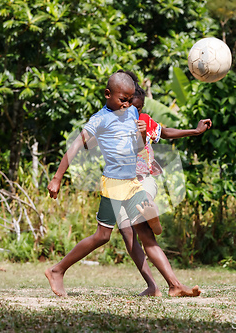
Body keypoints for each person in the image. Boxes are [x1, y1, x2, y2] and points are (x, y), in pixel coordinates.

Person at [44, 70, 200, 297]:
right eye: (122, 100)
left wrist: (142, 135)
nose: (127, 105)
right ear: (108, 94)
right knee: (102, 236)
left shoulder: (132, 112)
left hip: (133, 183)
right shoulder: (100, 119)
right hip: (114, 184)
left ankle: (175, 285)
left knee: (147, 235)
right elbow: (77, 145)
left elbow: (138, 149)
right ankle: (57, 270)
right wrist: (57, 177)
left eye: (130, 100)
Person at [117, 83, 212, 296]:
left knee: (143, 212)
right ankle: (158, 286)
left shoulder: (144, 121)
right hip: (120, 185)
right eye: (132, 106)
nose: (136, 112)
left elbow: (165, 132)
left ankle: (147, 206)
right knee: (132, 236)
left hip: (143, 180)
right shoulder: (113, 123)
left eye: (139, 108)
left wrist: (195, 131)